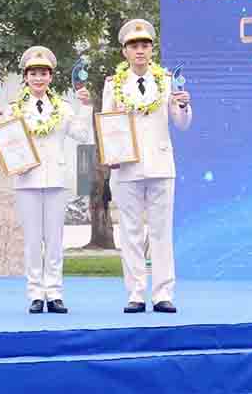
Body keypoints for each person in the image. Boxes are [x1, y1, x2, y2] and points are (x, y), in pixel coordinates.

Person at [102, 18, 192, 314]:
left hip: (160, 163)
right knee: (130, 232)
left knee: (161, 232)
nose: (139, 50)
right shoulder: (113, 84)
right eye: (133, 45)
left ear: (152, 49)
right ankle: (136, 292)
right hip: (126, 167)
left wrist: (183, 104)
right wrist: (111, 154)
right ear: (124, 51)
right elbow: (108, 123)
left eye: (144, 45)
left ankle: (163, 292)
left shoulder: (166, 81)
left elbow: (182, 124)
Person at [6, 46, 91, 314]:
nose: (38, 78)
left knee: (54, 239)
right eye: (33, 73)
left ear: (51, 77)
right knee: (32, 240)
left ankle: (54, 292)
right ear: (26, 77)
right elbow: (7, 142)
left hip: (55, 178)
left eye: (43, 73)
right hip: (26, 178)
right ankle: (35, 292)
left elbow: (80, 134)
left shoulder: (63, 108)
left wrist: (85, 107)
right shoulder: (13, 109)